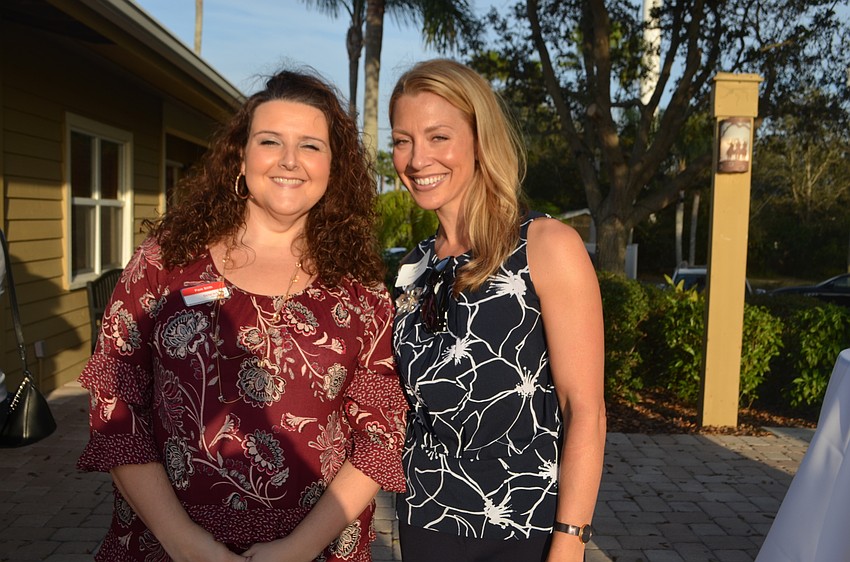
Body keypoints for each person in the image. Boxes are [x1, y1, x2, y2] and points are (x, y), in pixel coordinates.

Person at [77, 68, 407, 562]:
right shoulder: (165, 261)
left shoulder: (361, 292)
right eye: (270, 141)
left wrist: (296, 549)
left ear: (334, 166)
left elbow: (380, 435)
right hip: (165, 547)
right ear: (241, 156)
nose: (290, 160)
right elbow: (115, 404)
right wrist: (183, 543)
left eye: (311, 145)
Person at [388, 59, 606, 562]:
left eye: (438, 137)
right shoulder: (416, 266)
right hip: (424, 521)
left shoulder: (545, 245)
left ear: (479, 140)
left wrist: (570, 541)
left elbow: (585, 410)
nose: (417, 159)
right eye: (402, 141)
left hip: (522, 529)